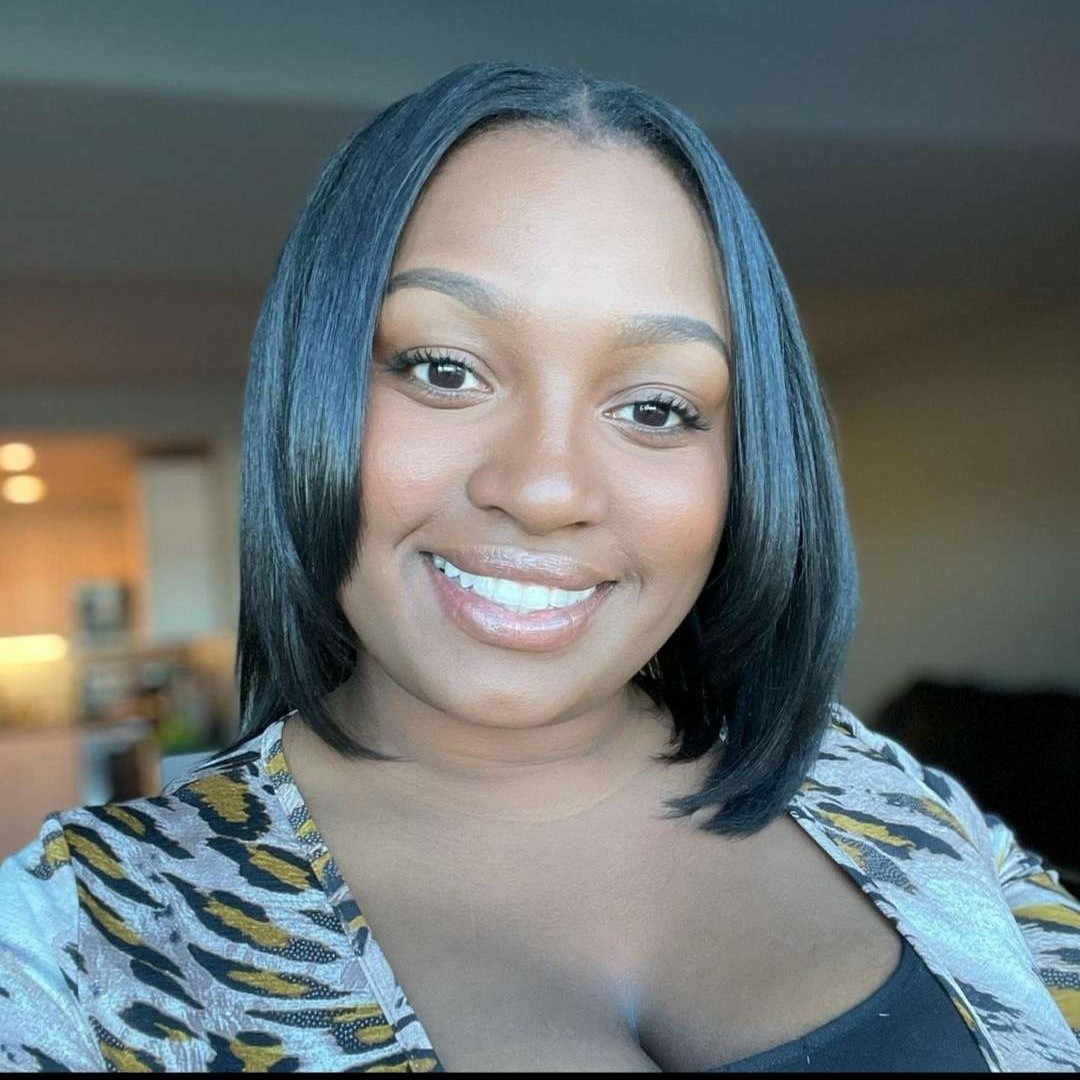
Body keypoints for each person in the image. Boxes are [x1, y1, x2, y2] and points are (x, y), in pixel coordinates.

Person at [0, 60, 1077, 1073]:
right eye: (444, 369)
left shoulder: (885, 797)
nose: (546, 487)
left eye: (656, 406)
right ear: (310, 391)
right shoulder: (78, 940)